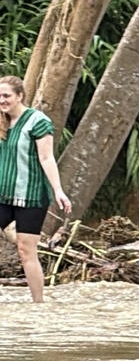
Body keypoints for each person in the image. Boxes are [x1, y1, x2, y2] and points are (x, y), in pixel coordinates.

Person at [0, 76, 73, 304]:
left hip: (31, 196)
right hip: (2, 194)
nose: (2, 100)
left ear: (20, 96)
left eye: (6, 96)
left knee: (25, 251)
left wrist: (58, 190)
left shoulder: (37, 121)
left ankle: (38, 305)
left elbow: (46, 158)